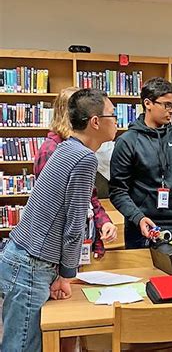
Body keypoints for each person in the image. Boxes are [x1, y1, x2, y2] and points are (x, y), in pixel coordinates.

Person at [0, 89, 118, 351]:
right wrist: (66, 274)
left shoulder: (66, 147)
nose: (118, 121)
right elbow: (74, 224)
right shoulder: (84, 158)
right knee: (21, 346)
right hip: (31, 264)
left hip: (24, 257)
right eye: (113, 114)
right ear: (95, 122)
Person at [109, 77, 172, 250]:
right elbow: (117, 191)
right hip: (143, 228)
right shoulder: (128, 141)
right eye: (166, 105)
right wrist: (138, 217)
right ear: (148, 103)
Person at [34, 87, 117, 258]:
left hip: (77, 246)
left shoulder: (82, 151)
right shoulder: (53, 151)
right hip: (54, 252)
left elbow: (88, 196)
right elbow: (54, 212)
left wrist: (103, 221)